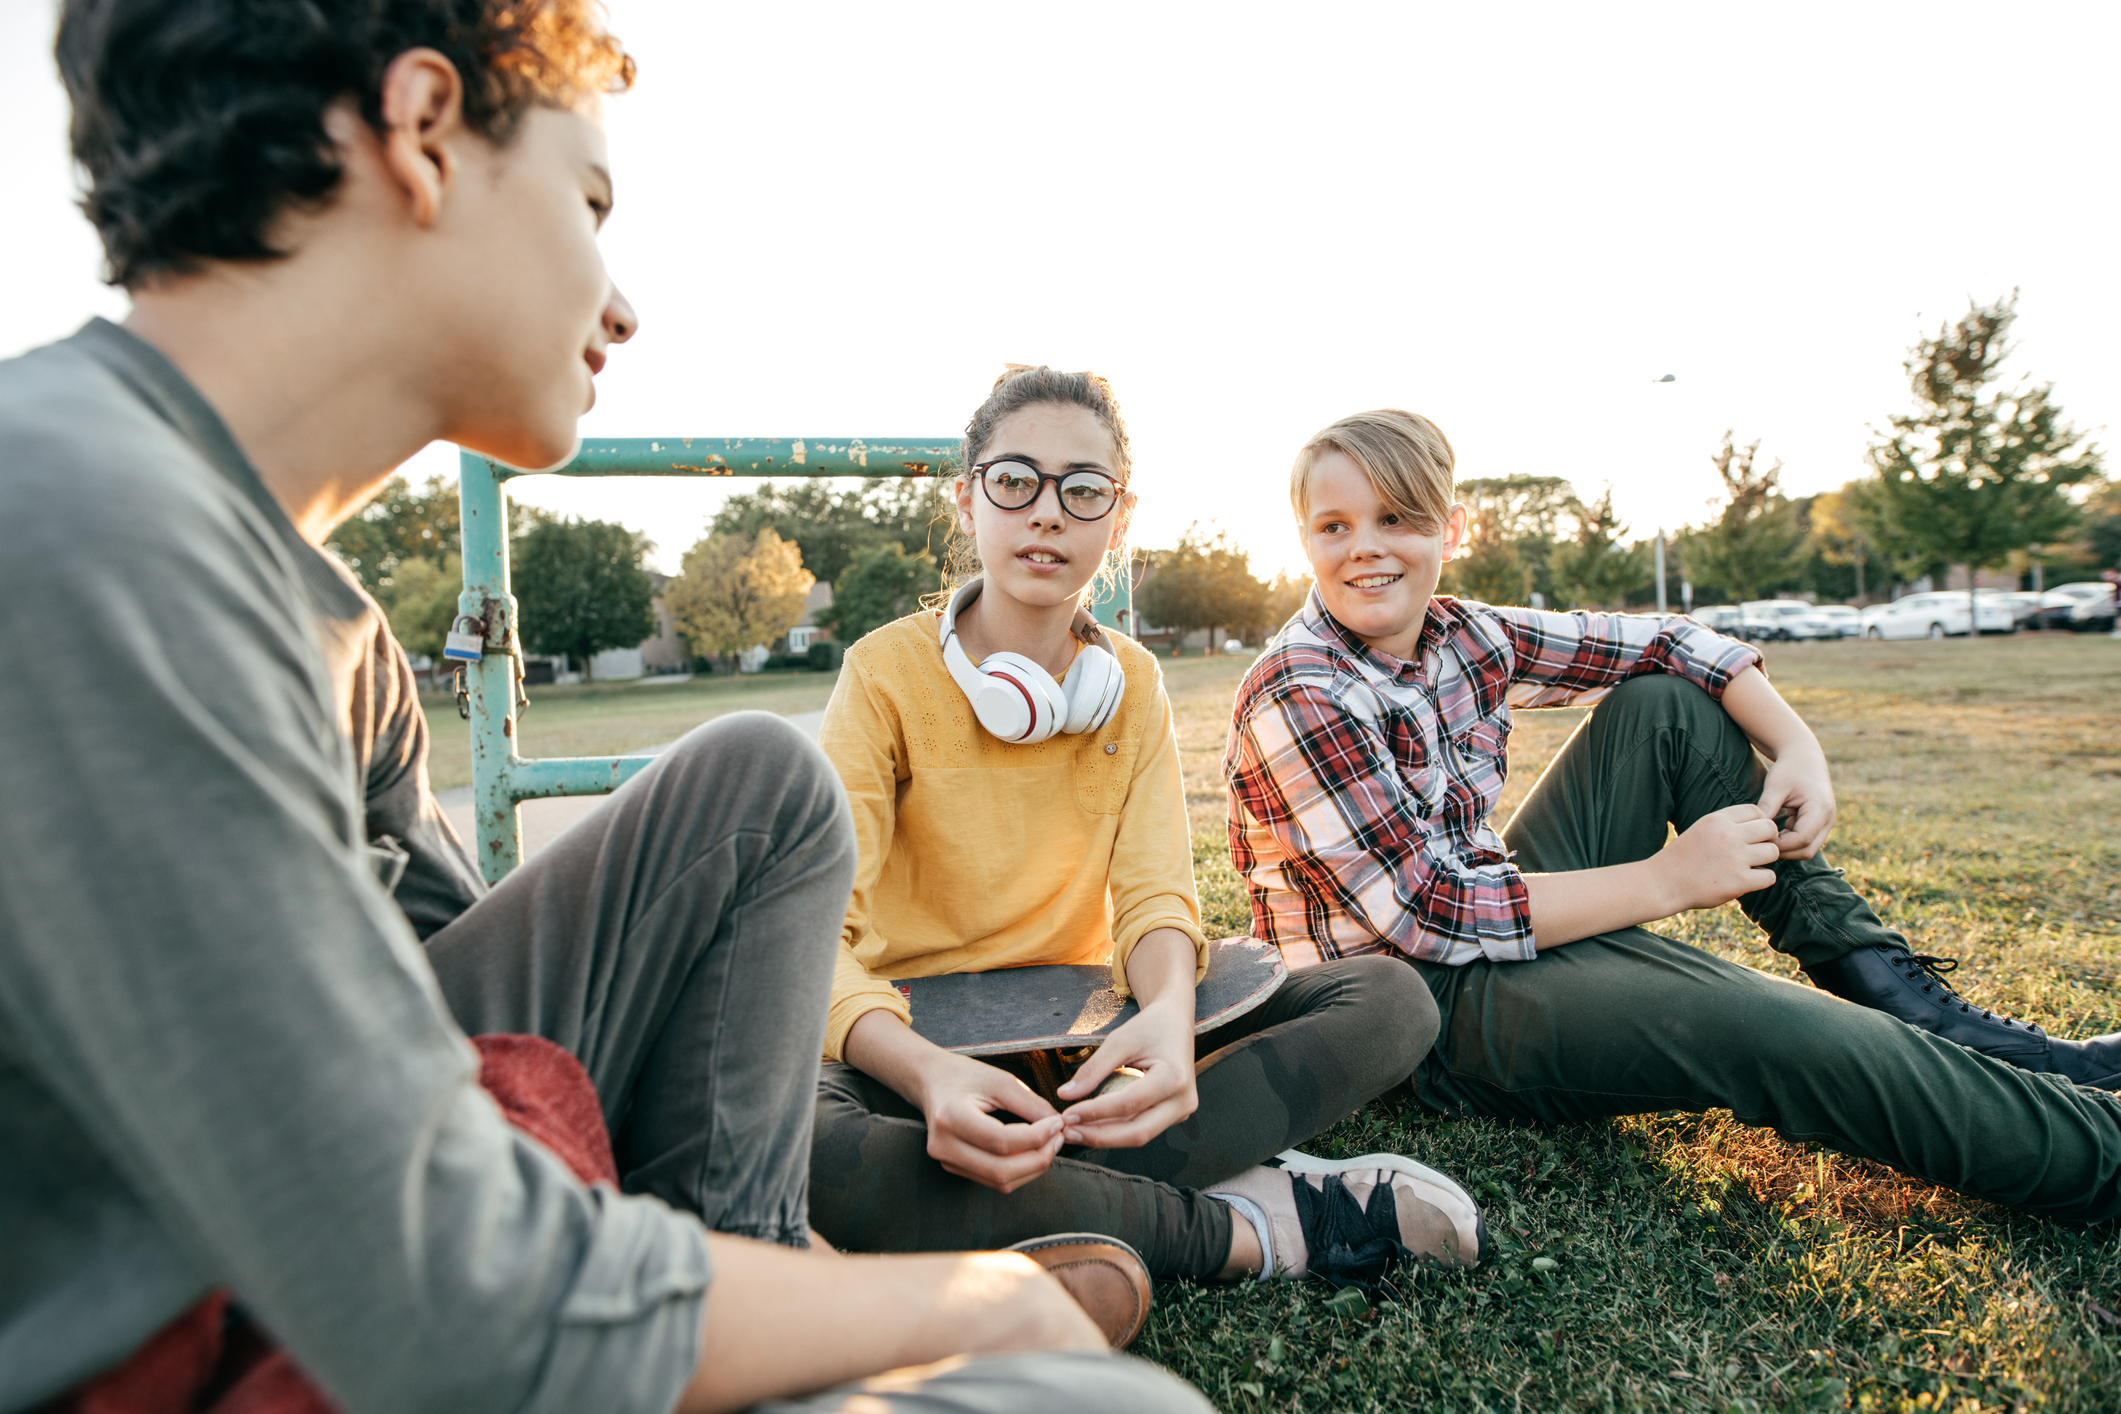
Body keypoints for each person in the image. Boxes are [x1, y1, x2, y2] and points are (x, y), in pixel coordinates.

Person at [0, 5, 1216, 1413]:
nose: (620, 302)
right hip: (184, 1342)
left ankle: (762, 1268)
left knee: (760, 785)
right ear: (422, 129)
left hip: (395, 1242)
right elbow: (443, 1302)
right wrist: (980, 1295)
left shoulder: (319, 612)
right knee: (1121, 1405)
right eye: (588, 201)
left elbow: (490, 1075)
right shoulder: (84, 528)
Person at [1223, 408, 2121, 1225]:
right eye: (1333, 527)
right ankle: (2097, 1155)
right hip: (1413, 1010)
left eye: (1397, 519)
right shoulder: (1302, 689)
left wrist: (1798, 747)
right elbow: (1429, 915)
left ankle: (1918, 1009)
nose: (1364, 550)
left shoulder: (1465, 635)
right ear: (1303, 540)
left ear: (1450, 530)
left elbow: (1669, 642)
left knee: (1667, 707)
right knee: (1763, 1028)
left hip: (1489, 910)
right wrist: (1667, 881)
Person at [807, 367, 1489, 1288]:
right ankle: (1247, 1226)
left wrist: (1168, 1020)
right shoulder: (881, 673)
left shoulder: (1130, 683)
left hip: (1084, 1045)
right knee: (806, 1148)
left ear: (1117, 522)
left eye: (1082, 491)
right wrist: (928, 1076)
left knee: (1390, 1002)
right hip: (909, 1051)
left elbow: (1156, 898)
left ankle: (1001, 1209)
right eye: (1015, 482)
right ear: (968, 501)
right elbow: (820, 940)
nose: (1046, 514)